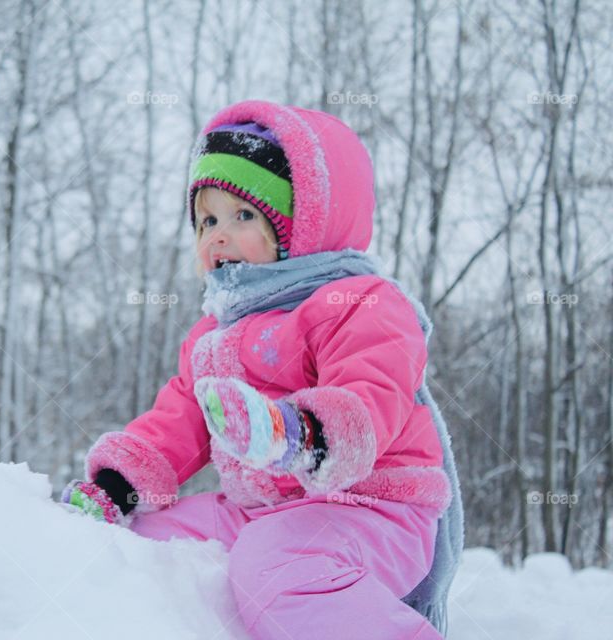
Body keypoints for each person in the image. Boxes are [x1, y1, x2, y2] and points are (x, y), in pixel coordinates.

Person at [61, 100, 462, 639]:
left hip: (370, 507)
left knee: (277, 568)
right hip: (259, 511)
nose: (217, 236)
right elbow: (181, 418)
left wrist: (296, 434)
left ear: (303, 226)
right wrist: (119, 485)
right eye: (206, 220)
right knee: (145, 544)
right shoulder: (212, 337)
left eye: (243, 216)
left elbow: (373, 391)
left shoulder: (359, 301)